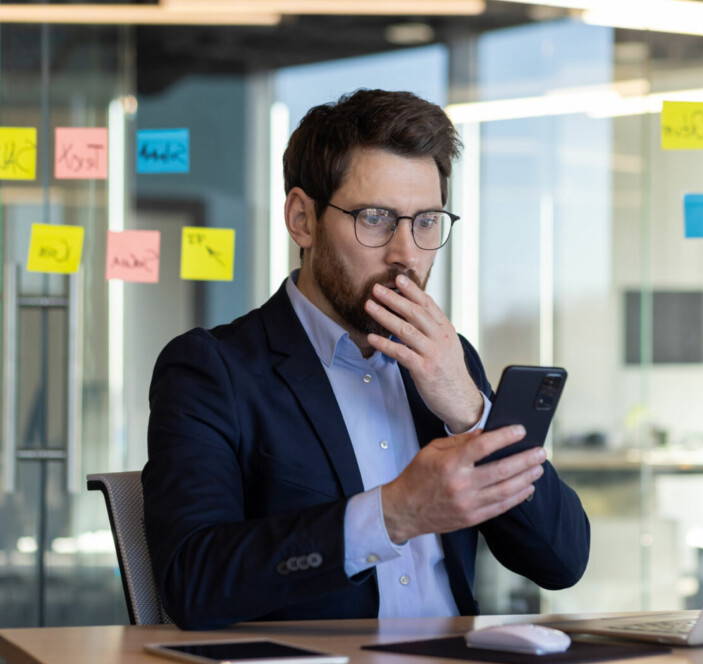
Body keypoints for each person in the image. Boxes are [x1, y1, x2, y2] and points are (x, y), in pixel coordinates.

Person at [142, 89, 590, 630]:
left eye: (426, 221)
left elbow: (561, 561)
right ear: (302, 219)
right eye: (376, 218)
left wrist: (472, 412)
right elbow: (195, 581)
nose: (406, 252)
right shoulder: (213, 370)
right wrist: (391, 514)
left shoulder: (448, 362)